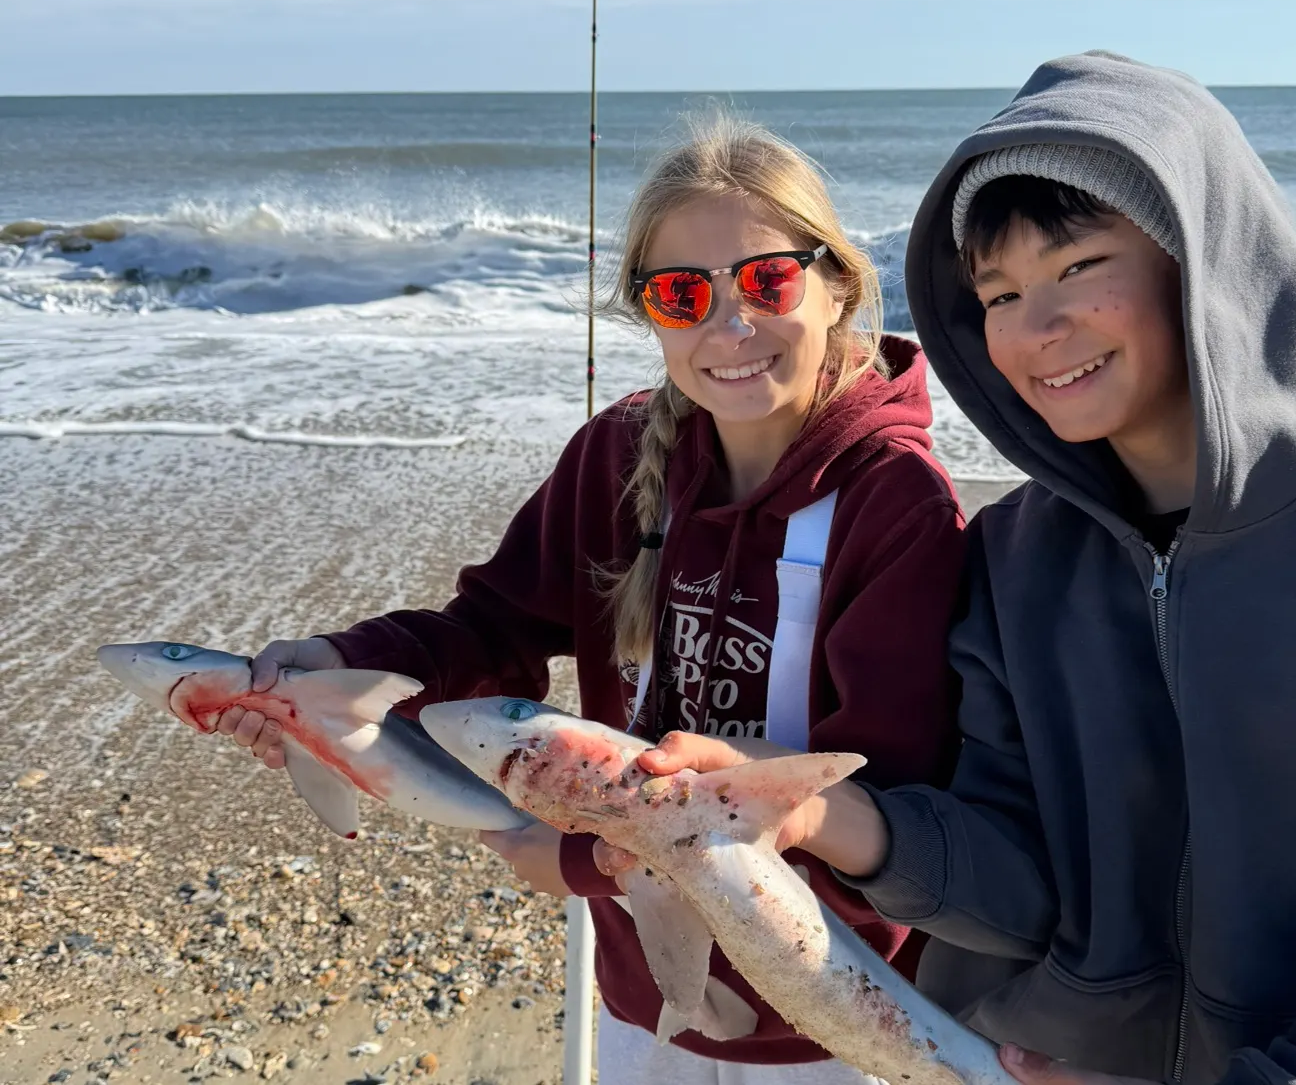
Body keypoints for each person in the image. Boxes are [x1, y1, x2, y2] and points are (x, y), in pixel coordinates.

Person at [634, 55, 1296, 1085]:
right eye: (997, 292)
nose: (1035, 331)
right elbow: (1023, 874)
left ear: (1202, 258)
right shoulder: (1016, 555)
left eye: (1080, 266)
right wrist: (821, 814)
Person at [208, 118, 968, 1083]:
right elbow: (489, 631)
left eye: (767, 282)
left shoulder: (896, 503)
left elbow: (897, 813)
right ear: (648, 312)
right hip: (640, 990)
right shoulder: (614, 457)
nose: (729, 327)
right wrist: (335, 669)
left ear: (839, 283)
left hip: (831, 1022)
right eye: (682, 294)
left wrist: (584, 859)